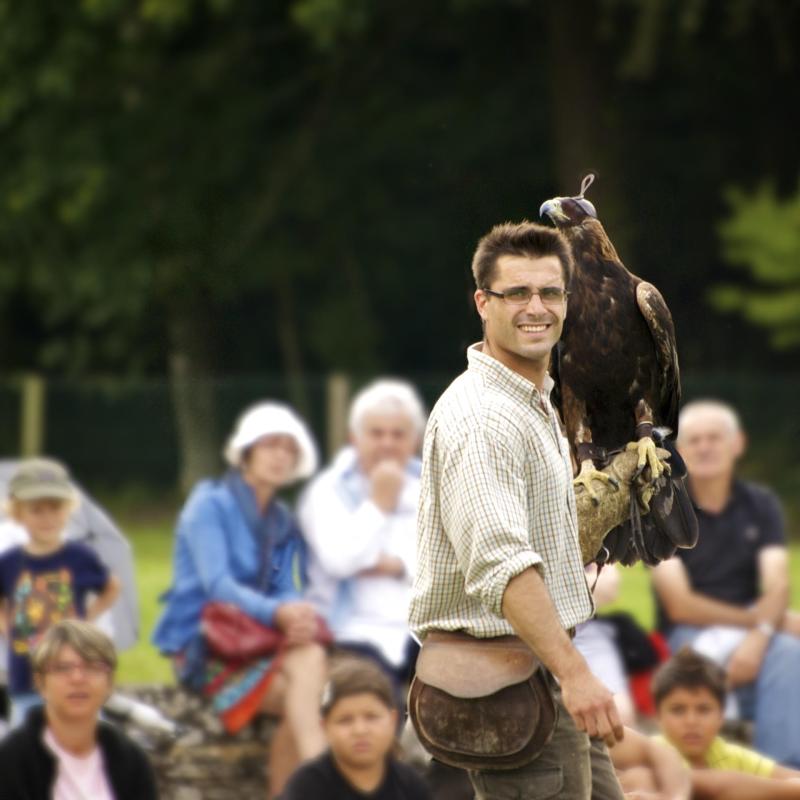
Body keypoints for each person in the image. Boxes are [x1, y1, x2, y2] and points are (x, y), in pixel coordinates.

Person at [409, 220, 625, 799]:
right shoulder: (483, 419)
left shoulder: (531, 399)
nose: (537, 307)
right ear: (483, 302)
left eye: (550, 292)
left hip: (544, 669)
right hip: (510, 681)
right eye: (516, 293)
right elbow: (502, 567)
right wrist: (577, 676)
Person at [152, 402, 328, 798]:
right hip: (207, 643)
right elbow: (218, 585)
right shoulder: (208, 505)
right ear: (247, 451)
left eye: (289, 448)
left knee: (305, 679)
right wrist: (277, 612)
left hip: (260, 642)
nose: (280, 455)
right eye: (270, 445)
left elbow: (286, 586)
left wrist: (296, 611)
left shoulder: (282, 518)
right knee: (307, 694)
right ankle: (330, 780)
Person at [651, 399, 800, 767]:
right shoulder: (662, 508)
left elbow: (777, 584)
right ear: (679, 451)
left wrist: (761, 633)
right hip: (686, 633)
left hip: (753, 627)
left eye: (715, 438)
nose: (704, 447)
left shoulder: (761, 505)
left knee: (788, 652)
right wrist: (762, 622)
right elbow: (679, 604)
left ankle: (782, 777)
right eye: (694, 440)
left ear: (737, 444)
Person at [298, 379, 425, 689]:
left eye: (398, 434)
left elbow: (447, 561)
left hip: (423, 633)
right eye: (376, 433)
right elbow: (339, 561)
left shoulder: (429, 484)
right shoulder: (327, 490)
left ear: (415, 441)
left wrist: (393, 565)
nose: (387, 444)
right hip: (350, 632)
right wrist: (380, 504)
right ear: (354, 438)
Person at [0, 457, 121, 727]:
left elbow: (111, 586)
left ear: (68, 510)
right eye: (37, 510)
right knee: (26, 752)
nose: (47, 518)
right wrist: (6, 626)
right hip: (26, 678)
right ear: (18, 513)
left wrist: (87, 621)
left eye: (55, 509)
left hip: (75, 678)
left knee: (86, 740)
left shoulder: (79, 556)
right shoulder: (9, 562)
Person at [0, 619, 159, 799]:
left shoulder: (130, 758)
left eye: (92, 667)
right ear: (40, 682)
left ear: (110, 682)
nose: (77, 678)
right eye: (62, 668)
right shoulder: (12, 759)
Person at [644, 647, 800, 799]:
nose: (691, 721)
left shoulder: (726, 753)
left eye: (703, 710)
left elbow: (791, 778)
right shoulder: (650, 754)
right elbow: (718, 790)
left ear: (721, 716)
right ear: (658, 716)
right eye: (678, 710)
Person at [280, 658, 433, 799]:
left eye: (371, 717)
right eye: (345, 720)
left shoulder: (410, 786)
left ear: (393, 720)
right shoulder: (306, 786)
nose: (360, 730)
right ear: (325, 726)